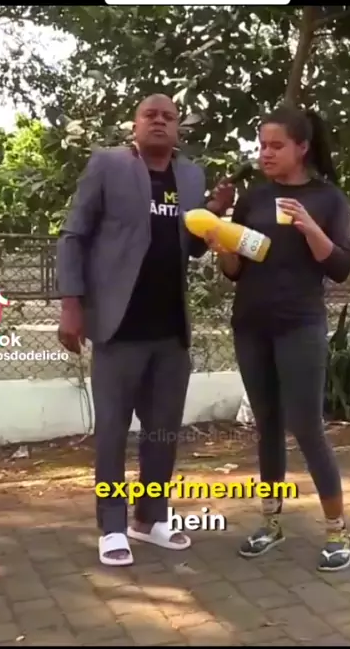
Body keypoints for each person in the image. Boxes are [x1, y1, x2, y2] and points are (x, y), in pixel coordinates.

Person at [56, 94, 234, 566]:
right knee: (113, 433)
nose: (159, 121)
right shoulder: (108, 165)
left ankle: (150, 518)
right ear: (135, 125)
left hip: (170, 330)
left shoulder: (190, 176)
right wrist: (71, 304)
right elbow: (74, 235)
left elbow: (190, 246)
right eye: (149, 115)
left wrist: (214, 212)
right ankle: (113, 526)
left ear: (178, 129)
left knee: (162, 433)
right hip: (119, 327)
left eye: (168, 116)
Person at [206, 106, 350, 572]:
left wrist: (310, 227)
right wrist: (222, 248)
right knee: (267, 425)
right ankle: (270, 523)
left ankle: (338, 532)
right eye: (262, 145)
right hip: (251, 324)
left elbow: (340, 267)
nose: (265, 154)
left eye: (276, 146)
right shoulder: (254, 197)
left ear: (302, 147)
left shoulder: (328, 199)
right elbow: (236, 270)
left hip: (299, 325)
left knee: (306, 426)